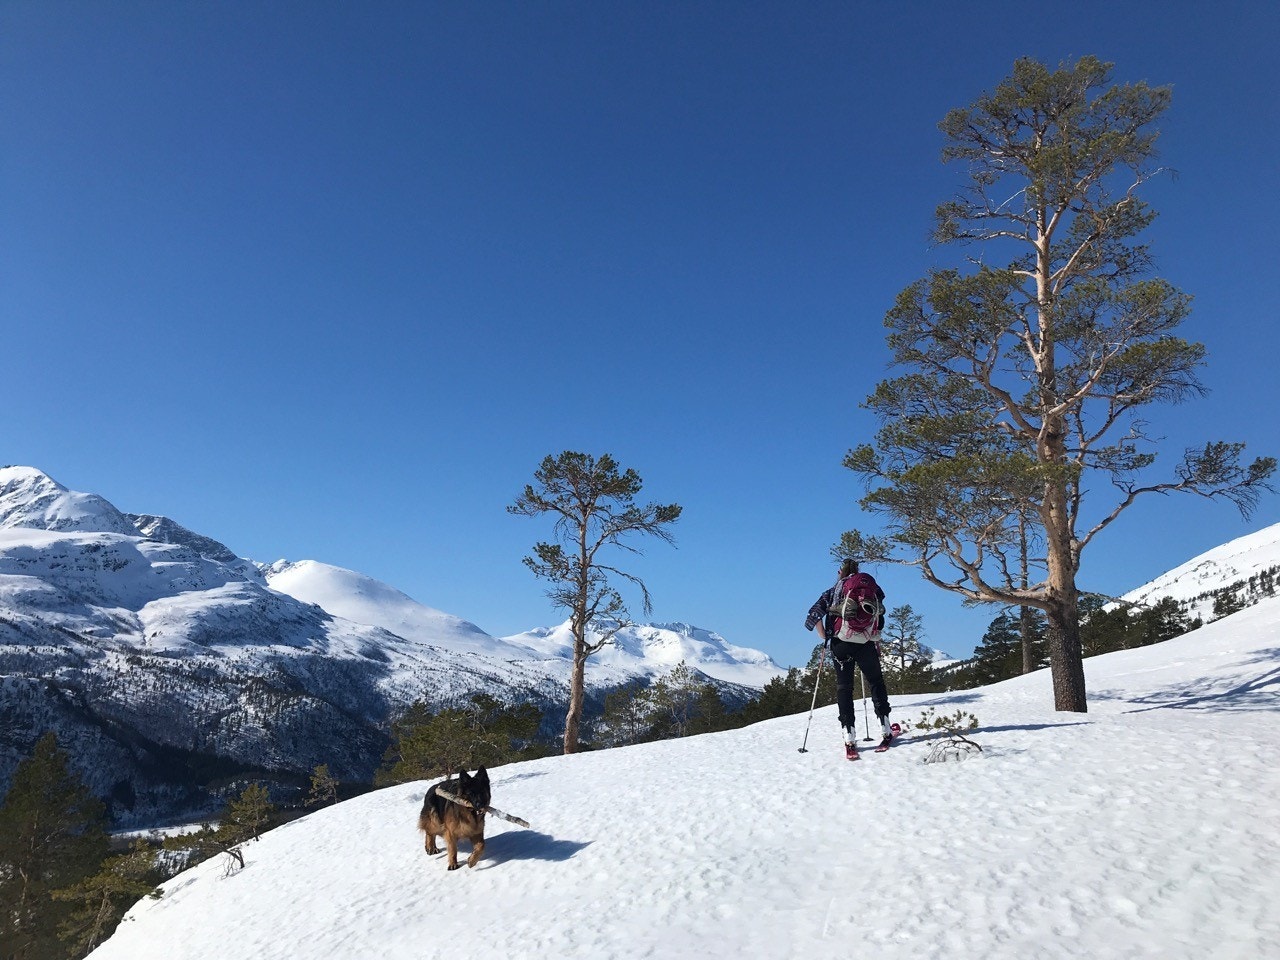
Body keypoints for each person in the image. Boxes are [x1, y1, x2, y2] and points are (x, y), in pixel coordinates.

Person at [803, 558, 892, 760]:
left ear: (839, 572)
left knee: (845, 687)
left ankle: (849, 734)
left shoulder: (833, 591)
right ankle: (885, 728)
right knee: (876, 682)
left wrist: (824, 635)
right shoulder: (871, 587)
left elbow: (813, 614)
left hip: (841, 643)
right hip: (866, 642)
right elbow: (879, 614)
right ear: (858, 572)